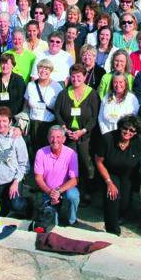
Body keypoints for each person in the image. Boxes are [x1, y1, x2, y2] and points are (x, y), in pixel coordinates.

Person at [95, 115, 141, 235]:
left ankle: (120, 217)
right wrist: (109, 182)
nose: (127, 132)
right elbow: (98, 161)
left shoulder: (139, 141)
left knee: (124, 203)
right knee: (112, 197)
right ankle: (112, 231)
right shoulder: (107, 138)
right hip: (110, 172)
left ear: (136, 132)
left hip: (128, 174)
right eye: (125, 128)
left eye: (132, 130)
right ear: (120, 127)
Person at [53, 63, 100, 197]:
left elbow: (95, 116)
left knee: (86, 162)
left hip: (85, 135)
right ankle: (70, 190)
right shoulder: (64, 93)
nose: (75, 79)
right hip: (68, 134)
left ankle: (87, 191)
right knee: (70, 164)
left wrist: (83, 130)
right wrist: (64, 129)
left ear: (85, 77)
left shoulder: (92, 94)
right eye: (73, 76)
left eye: (79, 76)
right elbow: (57, 113)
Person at [0, 106, 30, 218]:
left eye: (5, 121)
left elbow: (24, 165)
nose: (1, 124)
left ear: (10, 122)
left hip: (12, 180)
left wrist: (16, 182)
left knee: (15, 205)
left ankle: (27, 203)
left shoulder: (16, 138)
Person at [33, 125, 81, 228]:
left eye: (58, 137)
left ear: (64, 139)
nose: (55, 140)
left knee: (73, 195)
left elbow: (74, 180)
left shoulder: (71, 153)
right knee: (52, 225)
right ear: (48, 138)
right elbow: (38, 178)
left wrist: (58, 191)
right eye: (52, 137)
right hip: (48, 191)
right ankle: (55, 213)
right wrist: (50, 192)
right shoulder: (40, 153)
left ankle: (72, 220)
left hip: (65, 190)